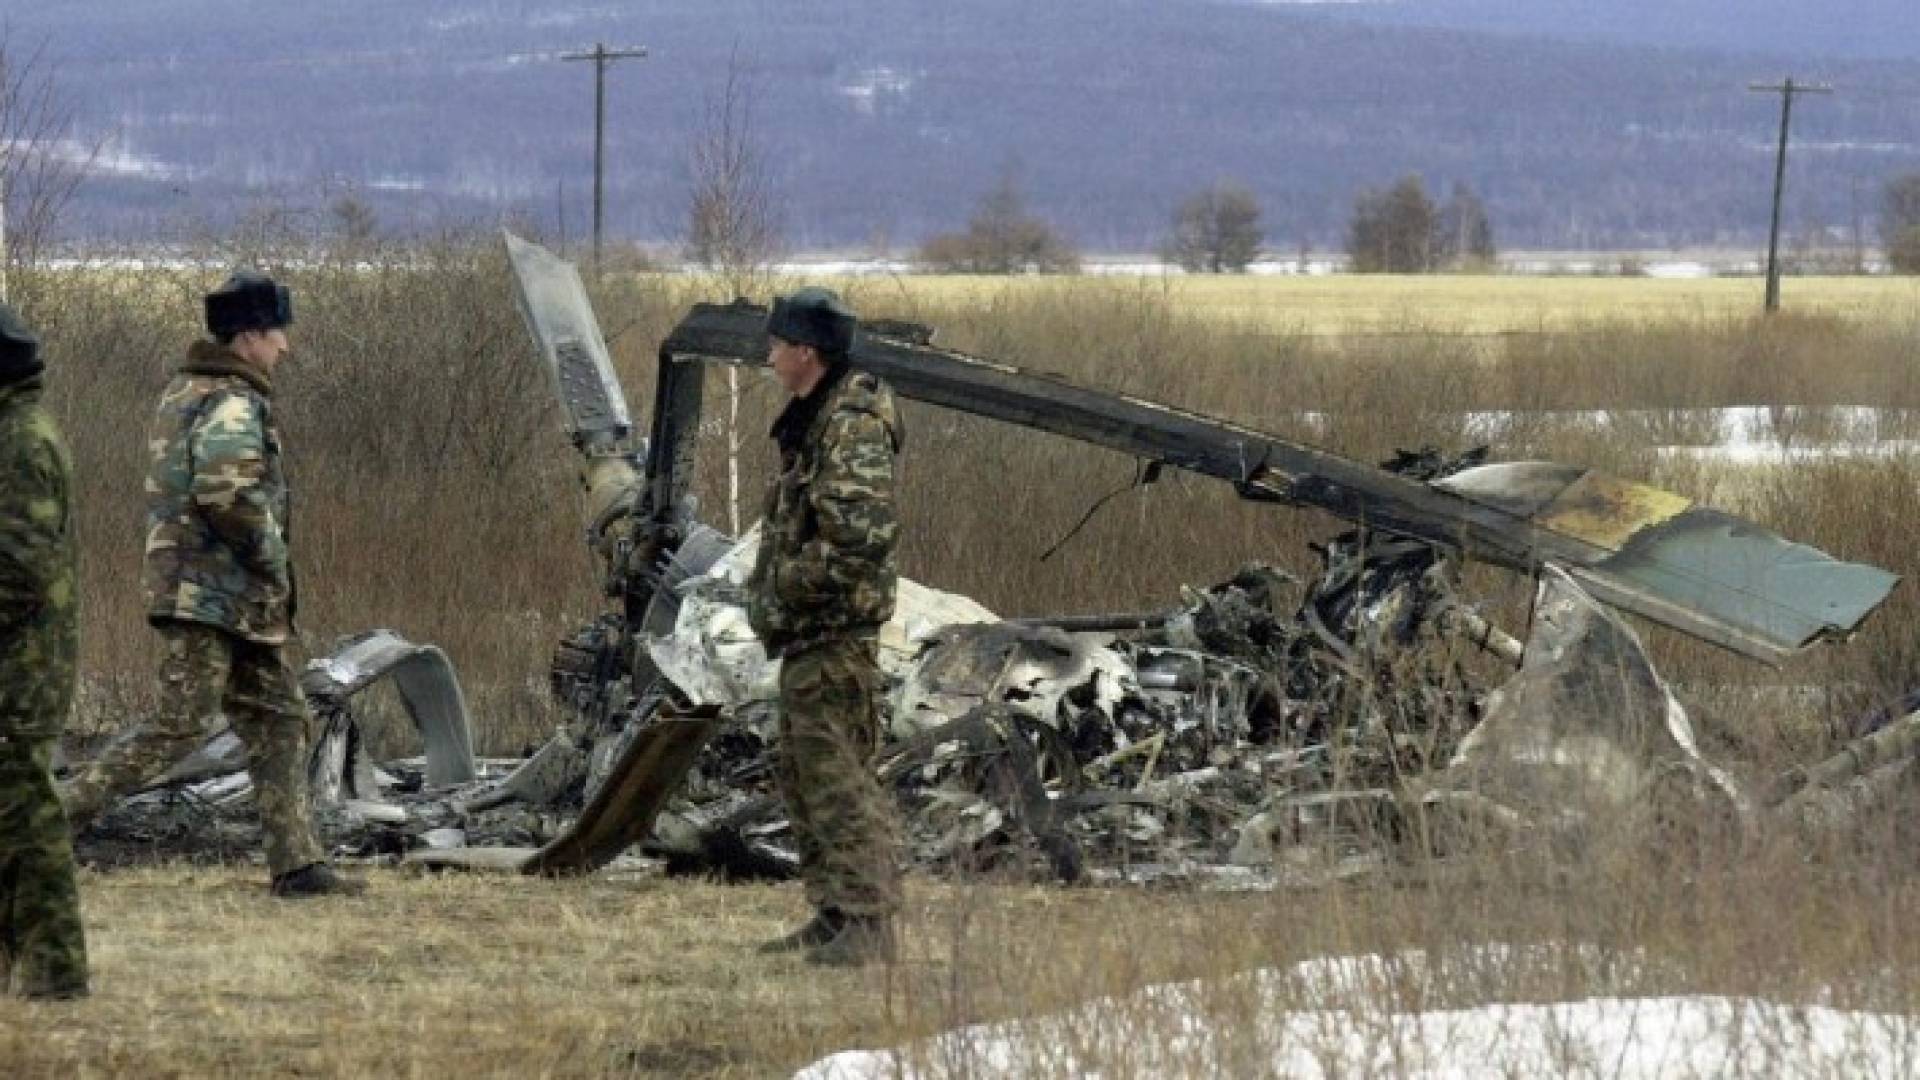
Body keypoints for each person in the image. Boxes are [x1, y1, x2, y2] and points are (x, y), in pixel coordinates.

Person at [63, 271, 360, 898]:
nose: (286, 347)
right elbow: (226, 492)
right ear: (249, 337)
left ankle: (298, 865)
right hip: (212, 595)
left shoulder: (189, 390)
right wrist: (273, 557)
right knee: (180, 724)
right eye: (278, 333)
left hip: (231, 598)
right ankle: (42, 829)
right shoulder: (230, 400)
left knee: (280, 719)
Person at [747, 288, 904, 965]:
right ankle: (835, 912)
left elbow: (856, 541)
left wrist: (781, 586)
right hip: (809, 633)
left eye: (777, 344)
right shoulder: (819, 417)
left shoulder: (852, 424)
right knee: (806, 774)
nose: (770, 355)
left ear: (805, 353)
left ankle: (867, 922)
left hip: (836, 634)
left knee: (838, 777)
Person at [0, 302, 90, 997]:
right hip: (18, 655)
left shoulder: (22, 443)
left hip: (23, 664)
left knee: (27, 813)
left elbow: (21, 568)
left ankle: (58, 970)